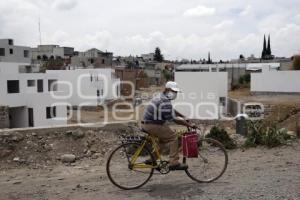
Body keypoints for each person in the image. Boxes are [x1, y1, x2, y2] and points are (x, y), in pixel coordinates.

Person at [141, 81, 197, 170]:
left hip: (148, 123)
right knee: (173, 137)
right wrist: (189, 125)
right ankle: (174, 162)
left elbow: (172, 110)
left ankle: (152, 159)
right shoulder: (164, 101)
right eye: (173, 91)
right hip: (152, 125)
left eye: (176, 92)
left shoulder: (161, 97)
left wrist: (183, 116)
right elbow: (174, 119)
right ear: (167, 89)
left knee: (163, 141)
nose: (174, 94)